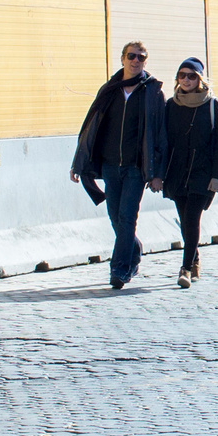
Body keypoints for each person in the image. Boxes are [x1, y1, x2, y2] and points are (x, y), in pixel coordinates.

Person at [70, 44, 167, 291]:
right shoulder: (110, 90)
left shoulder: (153, 92)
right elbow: (90, 127)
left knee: (127, 217)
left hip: (136, 168)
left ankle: (120, 269)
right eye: (131, 56)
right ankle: (134, 249)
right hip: (110, 166)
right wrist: (79, 162)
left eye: (141, 57)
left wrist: (157, 174)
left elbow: (160, 135)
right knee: (115, 217)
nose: (136, 60)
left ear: (146, 61)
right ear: (122, 59)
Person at [151, 57, 218, 289]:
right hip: (176, 172)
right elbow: (162, 142)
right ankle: (194, 258)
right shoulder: (171, 105)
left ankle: (185, 268)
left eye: (192, 76)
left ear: (200, 80)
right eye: (182, 75)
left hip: (202, 173)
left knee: (192, 218)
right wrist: (158, 173)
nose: (186, 80)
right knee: (185, 220)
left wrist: (217, 176)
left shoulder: (212, 105)